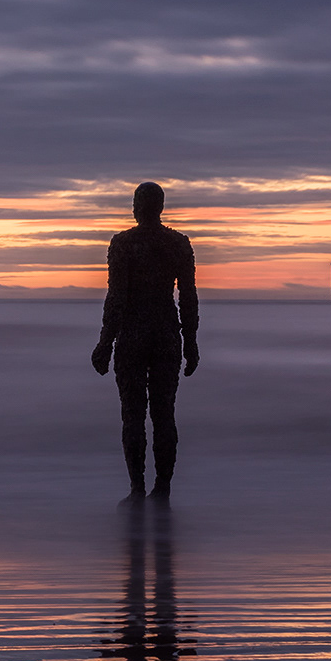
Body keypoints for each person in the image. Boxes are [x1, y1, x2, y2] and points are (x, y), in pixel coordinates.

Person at [91, 181, 198, 504]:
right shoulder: (178, 244)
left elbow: (117, 297)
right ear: (161, 207)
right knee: (164, 413)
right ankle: (162, 487)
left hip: (133, 335)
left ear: (137, 207)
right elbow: (188, 298)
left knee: (133, 414)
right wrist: (190, 341)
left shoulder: (123, 244)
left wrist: (105, 342)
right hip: (166, 334)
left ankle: (138, 488)